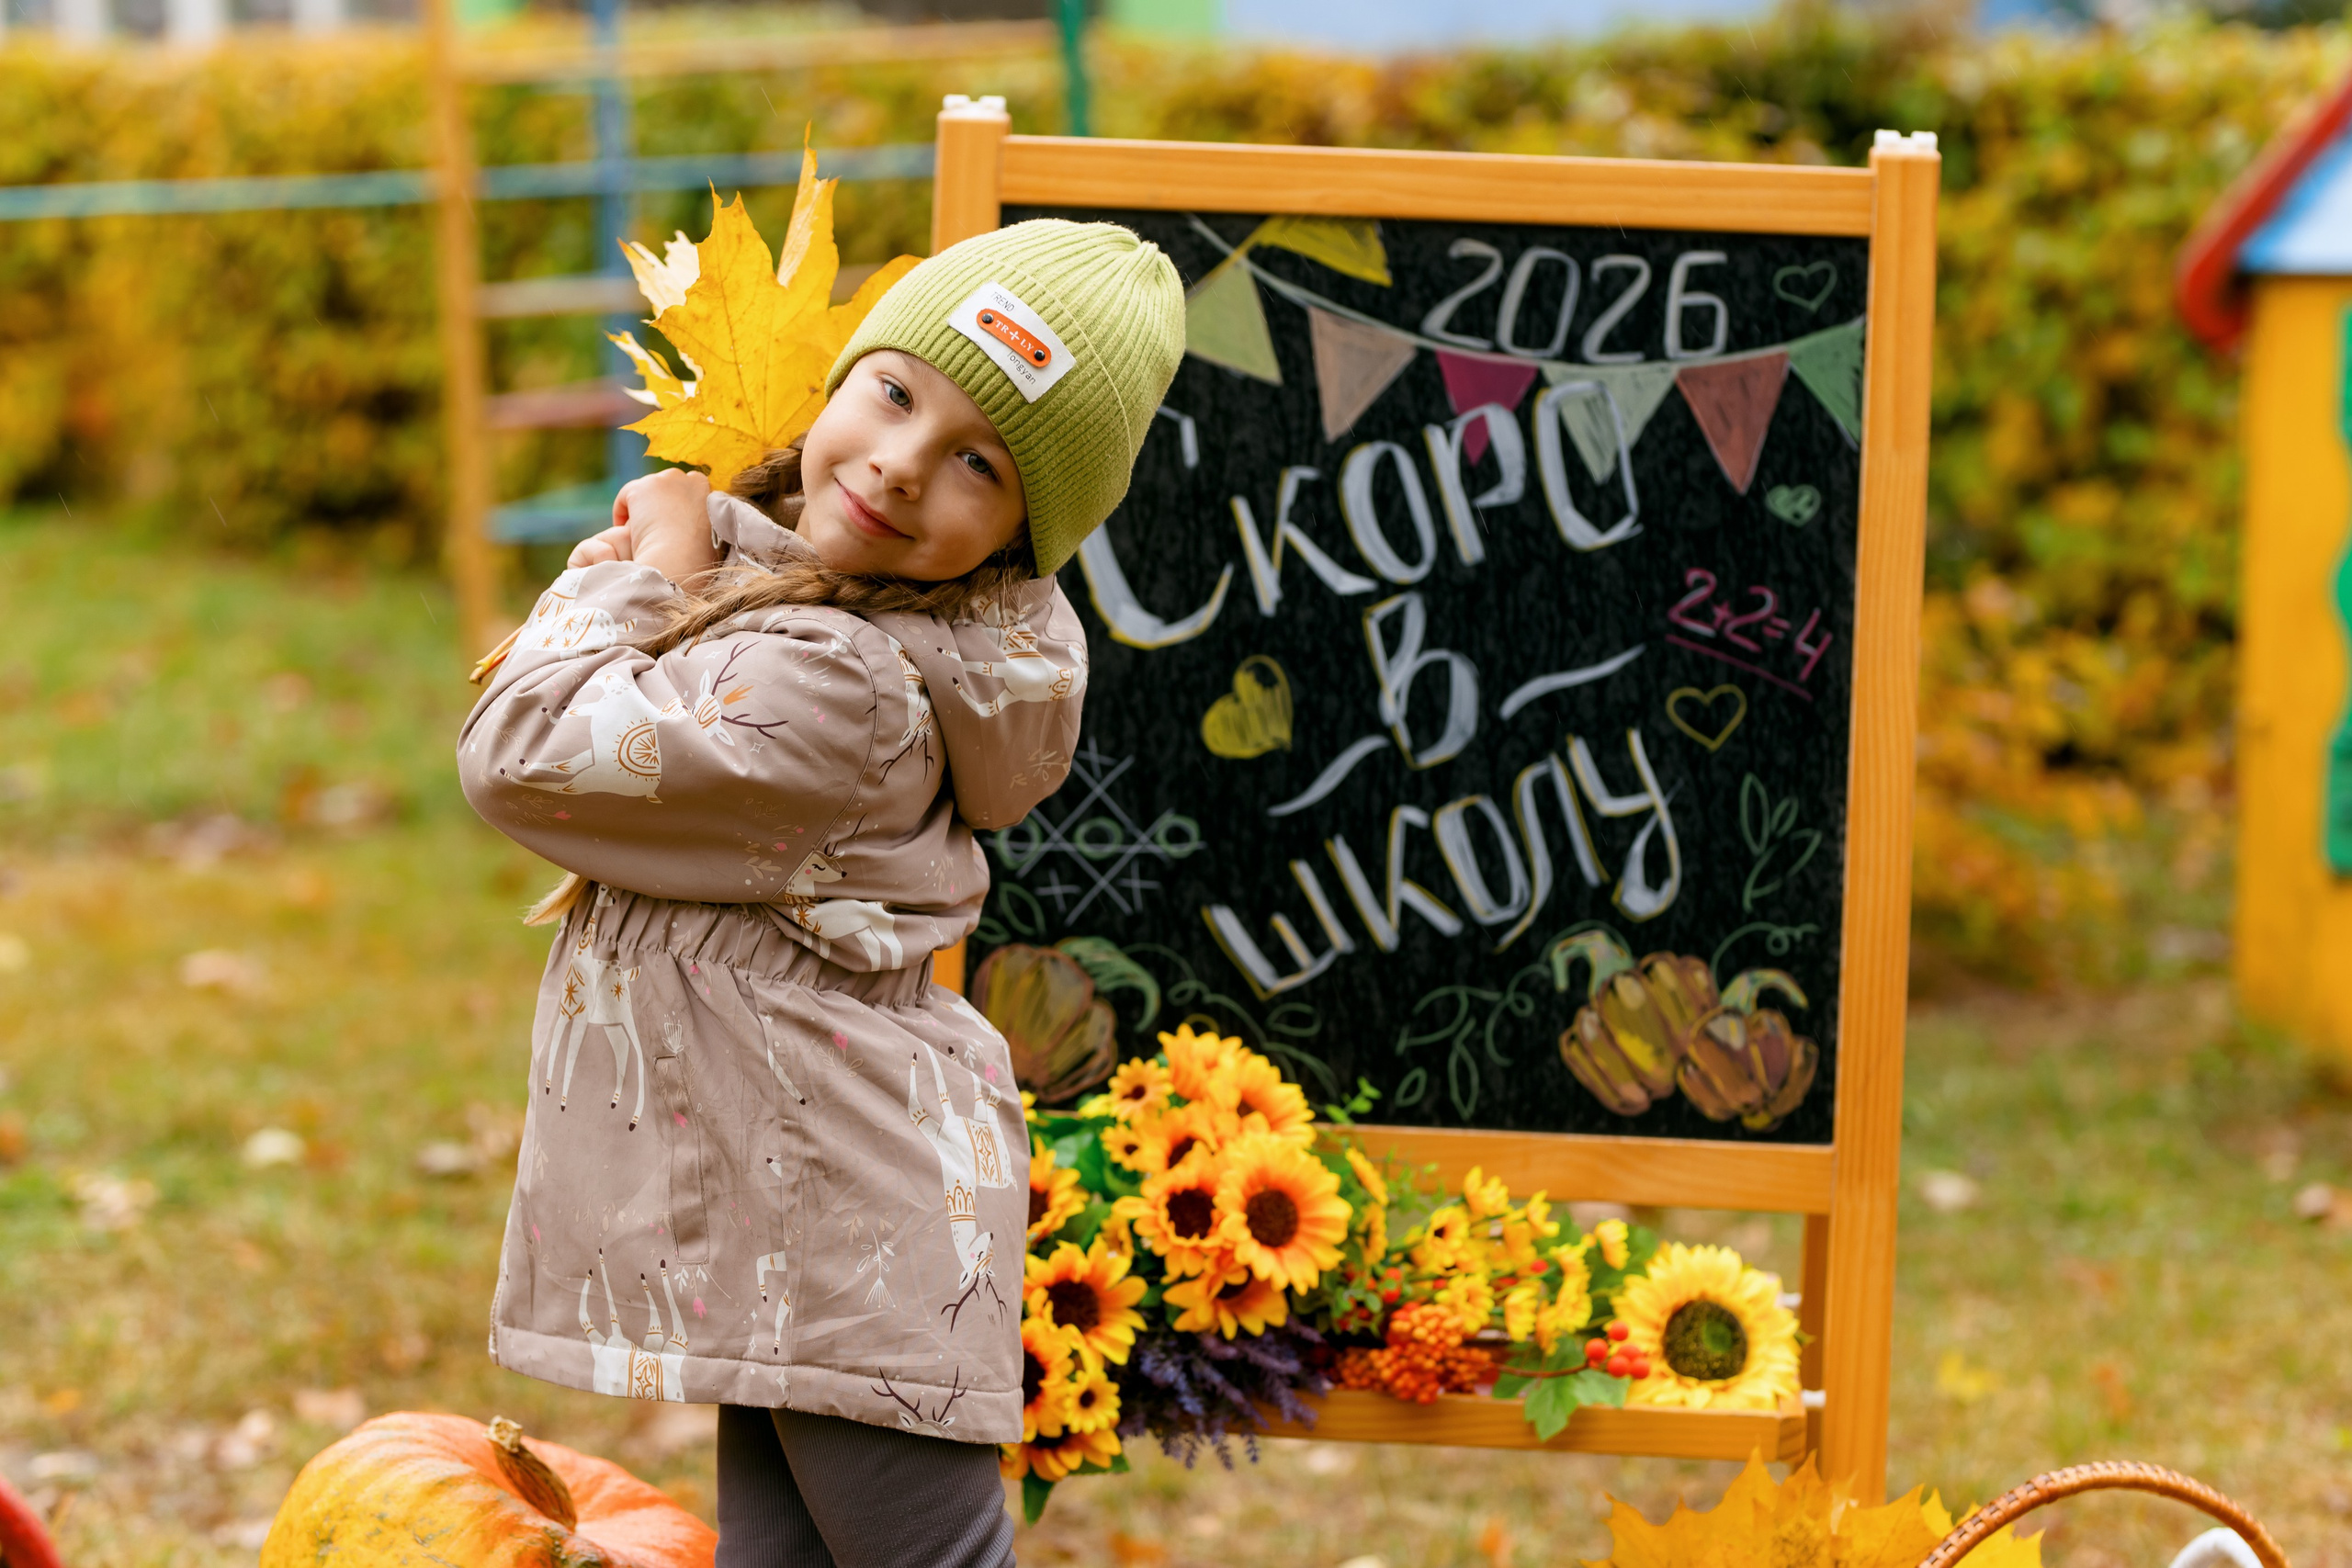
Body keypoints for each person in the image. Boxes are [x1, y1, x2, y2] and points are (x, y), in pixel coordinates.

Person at [457, 220, 1186, 1568]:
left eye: (981, 463)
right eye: (896, 393)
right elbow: (762, 608)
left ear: (1025, 535)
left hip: (844, 1236)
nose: (904, 466)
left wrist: (638, 580)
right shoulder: (868, 632)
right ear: (841, 382)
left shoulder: (844, 691)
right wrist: (706, 543)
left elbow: (521, 759)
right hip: (792, 1215)